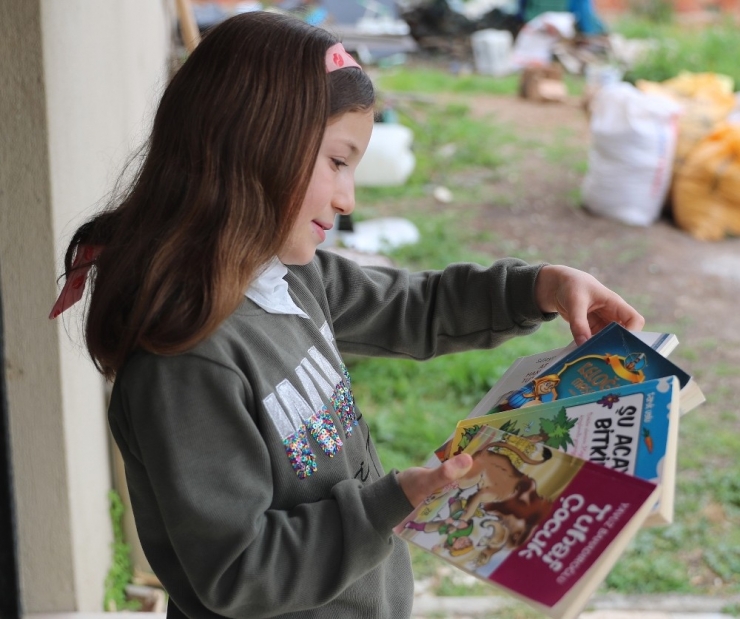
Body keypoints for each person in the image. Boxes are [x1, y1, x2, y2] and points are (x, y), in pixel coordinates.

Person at [49, 11, 644, 619]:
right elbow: (240, 571)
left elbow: (415, 307)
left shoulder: (285, 276)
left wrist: (538, 287)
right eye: (337, 161)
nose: (348, 197)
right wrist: (390, 503)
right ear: (255, 145)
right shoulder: (186, 359)